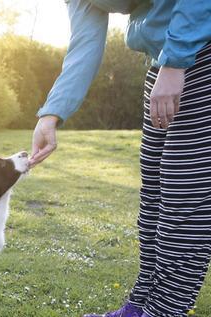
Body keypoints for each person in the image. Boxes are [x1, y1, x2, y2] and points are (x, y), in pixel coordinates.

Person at [28, 1, 211, 317]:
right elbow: (85, 44)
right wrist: (51, 113)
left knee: (184, 203)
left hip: (195, 54)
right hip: (164, 62)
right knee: (154, 200)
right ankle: (139, 307)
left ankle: (163, 312)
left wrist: (176, 62)